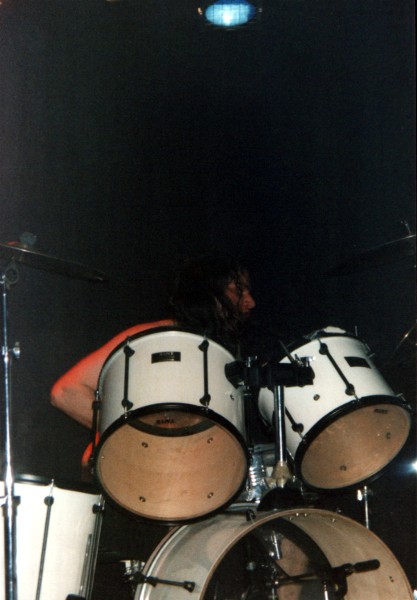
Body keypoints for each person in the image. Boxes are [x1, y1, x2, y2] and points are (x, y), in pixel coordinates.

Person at [50, 254, 256, 429]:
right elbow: (66, 391)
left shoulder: (231, 355)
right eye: (239, 290)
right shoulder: (154, 337)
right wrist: (127, 436)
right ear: (210, 293)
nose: (251, 302)